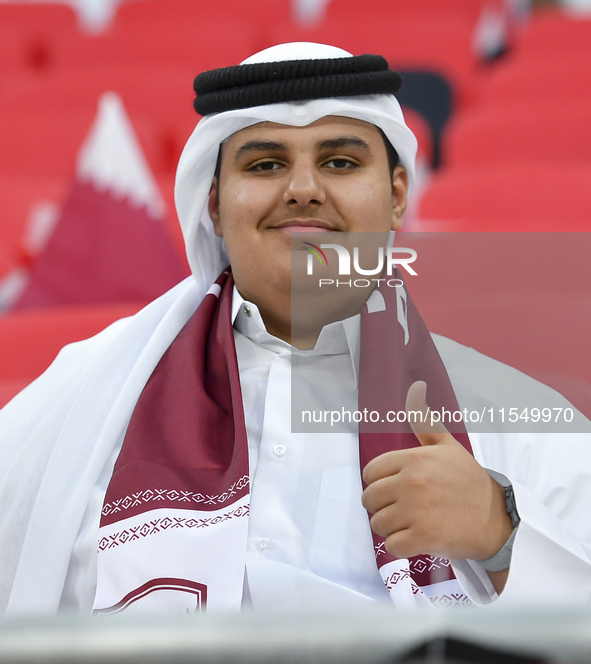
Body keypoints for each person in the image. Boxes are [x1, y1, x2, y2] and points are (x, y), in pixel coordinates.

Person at [1, 42, 591, 615]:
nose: (303, 188)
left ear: (395, 196)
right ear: (214, 207)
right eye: (266, 164)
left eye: (340, 162)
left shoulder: (516, 418)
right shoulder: (85, 401)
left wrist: (501, 533)